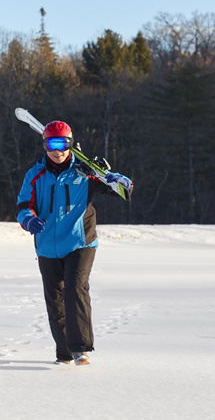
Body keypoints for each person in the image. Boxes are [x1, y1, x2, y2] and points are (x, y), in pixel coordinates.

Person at [15, 120, 132, 366]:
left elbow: (124, 189)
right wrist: (29, 221)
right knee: (54, 297)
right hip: (47, 244)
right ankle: (64, 352)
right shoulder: (34, 175)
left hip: (80, 241)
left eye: (61, 144)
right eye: (50, 145)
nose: (56, 151)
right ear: (44, 145)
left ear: (70, 145)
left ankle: (80, 349)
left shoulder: (86, 172)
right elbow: (23, 206)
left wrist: (114, 178)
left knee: (75, 288)